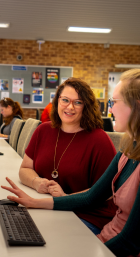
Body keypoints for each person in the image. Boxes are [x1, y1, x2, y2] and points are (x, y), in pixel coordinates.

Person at [2, 69, 140, 257]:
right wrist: (34, 202)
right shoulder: (130, 148)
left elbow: (130, 241)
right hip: (109, 247)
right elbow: (93, 195)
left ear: (136, 106)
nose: (109, 108)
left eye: (114, 102)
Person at [19, 77, 117, 231]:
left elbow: (106, 192)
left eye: (78, 102)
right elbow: (25, 169)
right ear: (57, 101)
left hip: (86, 215)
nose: (70, 107)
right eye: (65, 100)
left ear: (86, 107)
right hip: (48, 206)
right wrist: (36, 182)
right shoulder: (43, 130)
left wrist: (66, 198)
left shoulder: (99, 140)